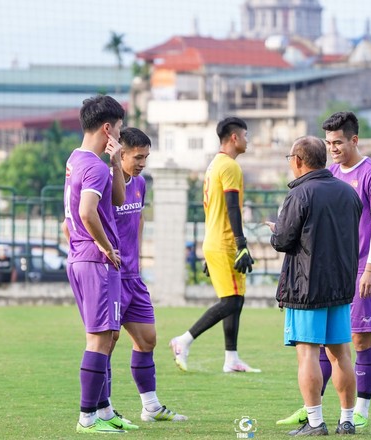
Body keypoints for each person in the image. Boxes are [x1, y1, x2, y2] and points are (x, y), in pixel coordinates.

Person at [277, 111, 371, 430]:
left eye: (338, 142)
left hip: (359, 269)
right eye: (328, 143)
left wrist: (370, 266)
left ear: (354, 140)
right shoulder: (330, 175)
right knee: (332, 344)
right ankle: (319, 409)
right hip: (337, 271)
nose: (333, 149)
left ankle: (359, 411)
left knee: (357, 341)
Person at [267, 136, 362, 436]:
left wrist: (276, 230)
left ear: (297, 160)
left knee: (307, 353)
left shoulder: (300, 193)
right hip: (341, 286)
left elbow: (284, 240)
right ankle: (347, 419)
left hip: (306, 287)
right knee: (341, 354)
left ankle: (315, 422)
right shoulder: (349, 193)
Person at [63, 94, 132, 434]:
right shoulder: (91, 165)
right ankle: (87, 417)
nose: (119, 137)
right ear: (108, 128)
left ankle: (103, 410)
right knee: (99, 338)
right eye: (118, 131)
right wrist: (106, 248)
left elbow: (117, 200)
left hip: (81, 258)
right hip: (96, 261)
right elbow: (86, 212)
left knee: (109, 335)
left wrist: (117, 161)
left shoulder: (79, 160)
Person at [169, 117, 260, 374]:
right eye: (245, 134)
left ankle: (231, 358)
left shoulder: (214, 165)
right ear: (234, 138)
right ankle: (183, 340)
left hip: (216, 240)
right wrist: (241, 244)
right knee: (230, 301)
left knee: (236, 300)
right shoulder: (229, 166)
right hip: (224, 241)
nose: (247, 139)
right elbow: (232, 207)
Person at [110, 127, 187, 422]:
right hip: (112, 277)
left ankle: (151, 407)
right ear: (122, 153)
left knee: (147, 340)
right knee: (108, 341)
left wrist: (137, 258)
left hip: (133, 276)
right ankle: (102, 409)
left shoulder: (140, 182)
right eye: (138, 156)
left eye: (146, 157)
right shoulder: (107, 181)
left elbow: (138, 219)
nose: (143, 162)